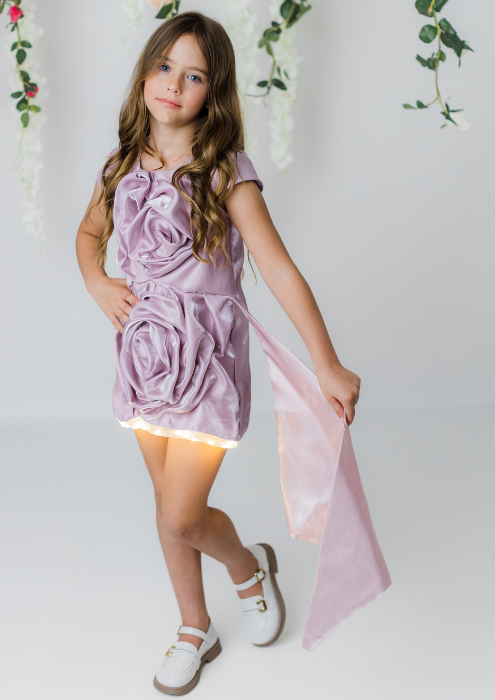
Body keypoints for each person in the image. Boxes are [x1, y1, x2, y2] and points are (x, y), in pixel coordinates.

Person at [76, 10, 389, 696]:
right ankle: (195, 626)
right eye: (165, 67)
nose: (173, 85)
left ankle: (247, 569)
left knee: (182, 514)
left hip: (207, 365)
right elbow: (88, 233)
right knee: (166, 502)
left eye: (193, 76)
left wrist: (327, 362)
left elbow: (277, 268)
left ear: (212, 93)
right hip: (146, 358)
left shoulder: (224, 172)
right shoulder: (122, 165)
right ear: (145, 72)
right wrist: (98, 281)